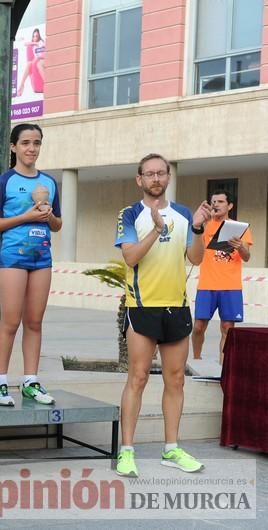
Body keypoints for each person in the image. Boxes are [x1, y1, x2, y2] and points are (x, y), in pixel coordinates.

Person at [114, 153, 212, 478]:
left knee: (176, 380)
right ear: (139, 179)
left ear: (168, 177)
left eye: (161, 173)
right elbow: (130, 258)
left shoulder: (183, 213)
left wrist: (197, 228)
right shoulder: (129, 214)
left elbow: (195, 258)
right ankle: (126, 451)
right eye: (149, 174)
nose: (156, 178)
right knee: (138, 378)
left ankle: (171, 448)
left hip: (177, 307)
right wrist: (156, 230)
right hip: (142, 308)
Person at [0, 123, 62, 407]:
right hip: (13, 258)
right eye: (26, 142)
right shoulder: (5, 181)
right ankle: (0, 383)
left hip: (42, 258)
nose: (32, 148)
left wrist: (48, 217)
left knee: (35, 322)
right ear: (14, 147)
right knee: (11, 321)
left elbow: (58, 225)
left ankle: (30, 381)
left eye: (37, 143)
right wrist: (26, 216)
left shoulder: (49, 183)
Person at [191, 190, 252, 363]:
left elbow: (247, 256)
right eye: (214, 202)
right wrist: (199, 224)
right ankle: (196, 359)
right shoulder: (203, 226)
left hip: (231, 287)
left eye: (220, 201)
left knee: (227, 328)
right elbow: (194, 251)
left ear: (230, 205)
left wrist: (240, 246)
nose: (216, 204)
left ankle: (223, 366)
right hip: (206, 285)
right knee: (198, 327)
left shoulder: (241, 228)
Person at [16, 28, 45, 97]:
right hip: (36, 60)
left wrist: (37, 58)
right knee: (29, 63)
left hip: (43, 59)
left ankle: (47, 83)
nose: (35, 38)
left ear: (39, 36)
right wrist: (34, 43)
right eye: (34, 36)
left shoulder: (42, 42)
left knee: (38, 63)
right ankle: (22, 85)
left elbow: (45, 52)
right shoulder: (33, 45)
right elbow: (25, 43)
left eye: (36, 36)